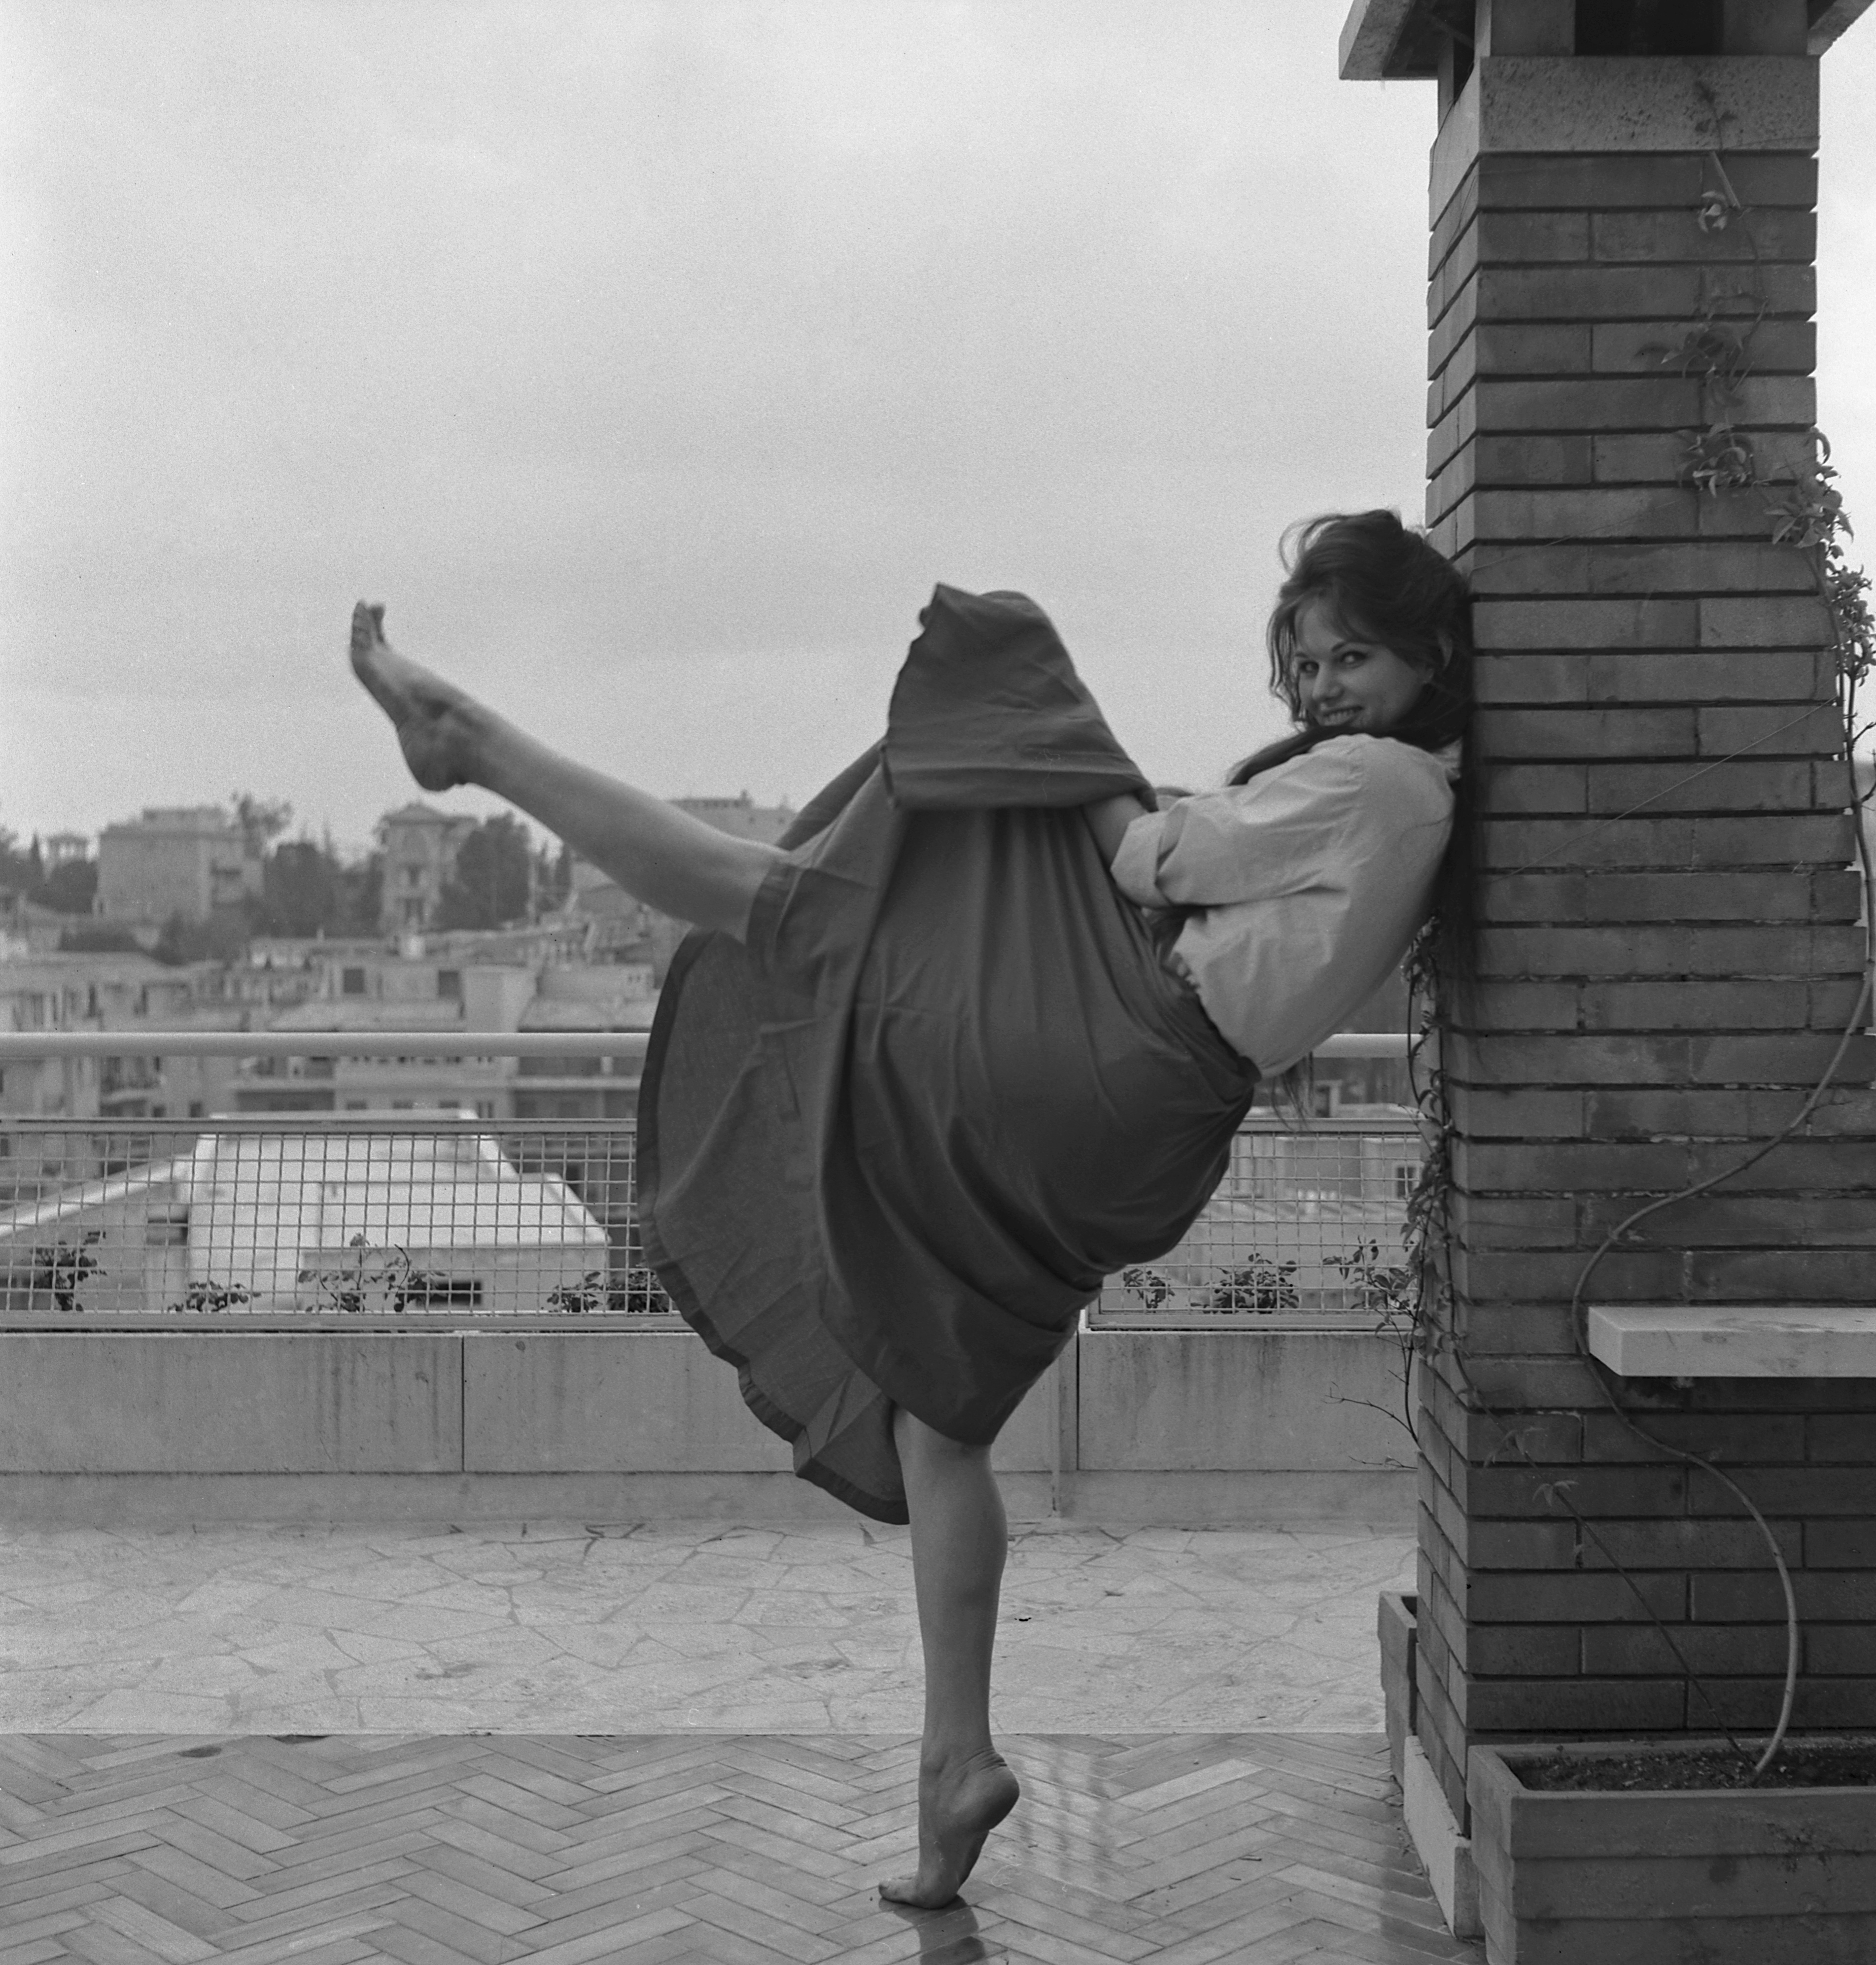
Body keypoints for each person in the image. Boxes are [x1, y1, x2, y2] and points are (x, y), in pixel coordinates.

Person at [349, 507, 1472, 1908]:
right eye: (1301, 665)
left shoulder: (1378, 781)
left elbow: (1154, 863)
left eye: (1349, 656)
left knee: (903, 780)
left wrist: (1067, 774)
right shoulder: (1412, 793)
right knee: (945, 1425)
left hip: (1110, 1049)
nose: (1319, 692)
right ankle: (956, 1769)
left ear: (1430, 652)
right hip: (1155, 1131)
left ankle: (477, 745)